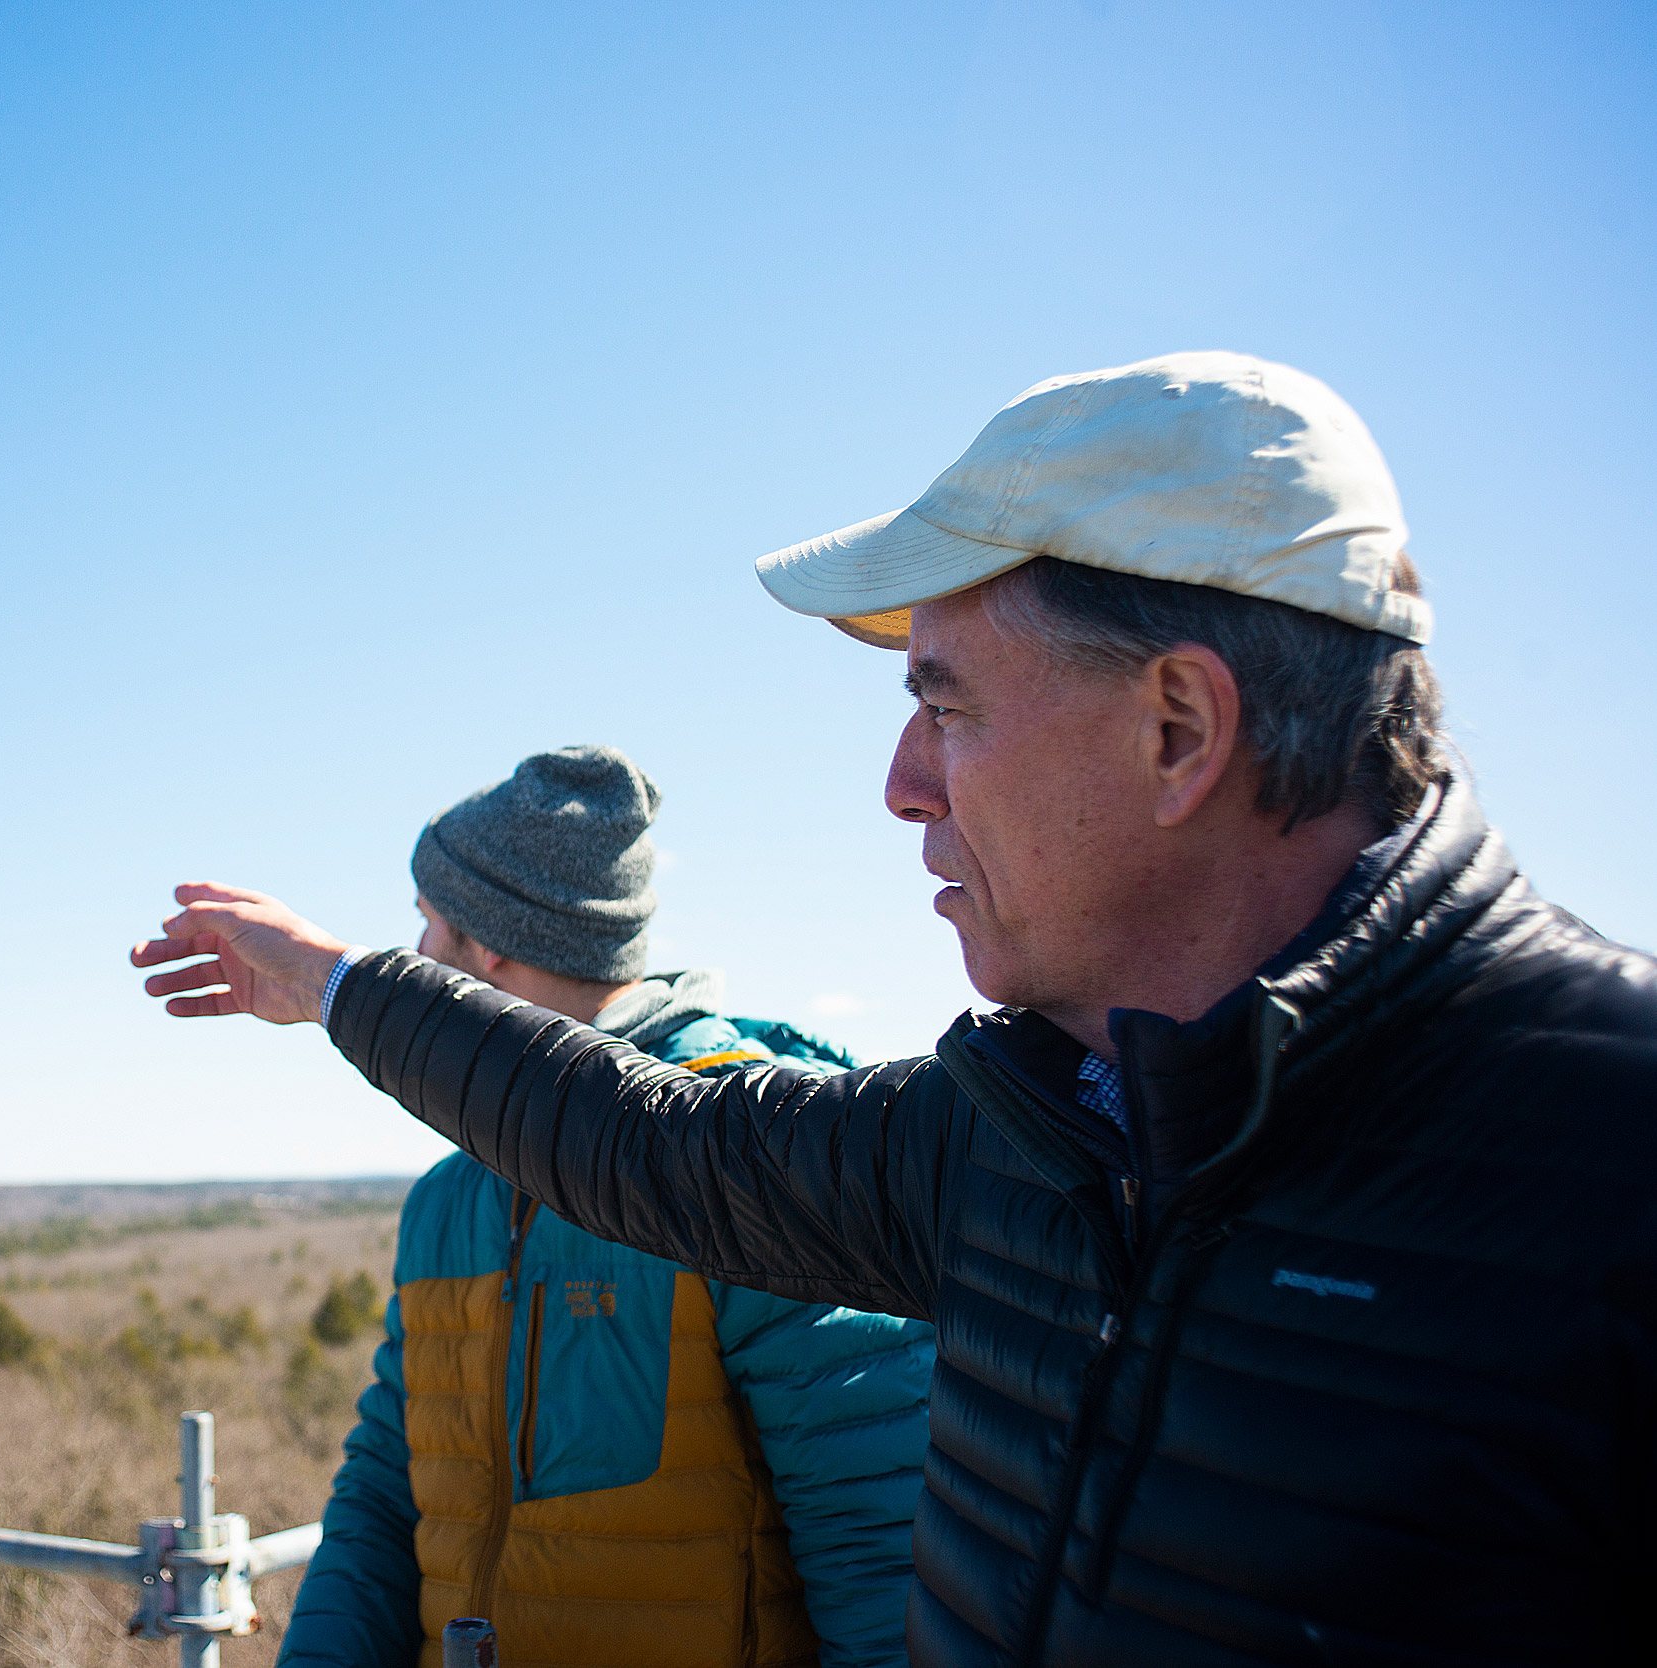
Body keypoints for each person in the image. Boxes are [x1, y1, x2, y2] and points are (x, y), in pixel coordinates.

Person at [132, 351, 1657, 1665]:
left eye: (946, 706)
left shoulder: (1607, 1158)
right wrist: (336, 988)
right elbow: (638, 1137)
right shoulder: (1016, 1132)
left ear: (1178, 728)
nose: (900, 787)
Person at [277, 746, 933, 1668]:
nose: (416, 953)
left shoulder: (754, 1166)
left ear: (489, 940)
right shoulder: (449, 1200)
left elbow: (878, 1563)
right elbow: (387, 1495)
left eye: (427, 922)